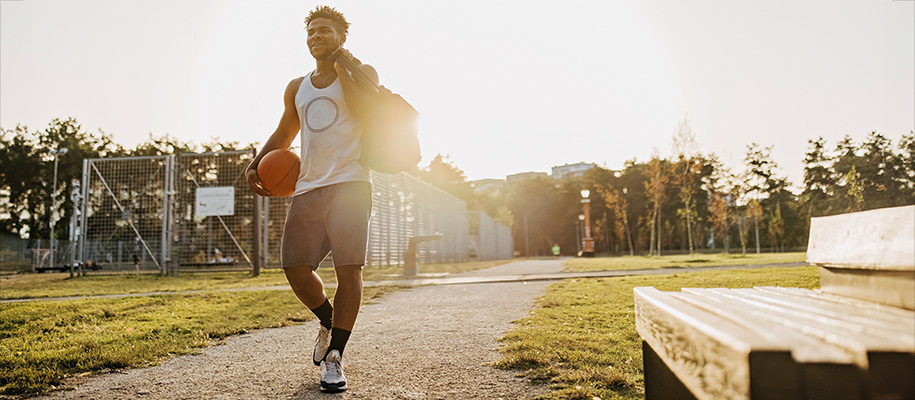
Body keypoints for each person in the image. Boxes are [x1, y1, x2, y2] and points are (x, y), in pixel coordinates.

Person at [245, 5, 377, 394]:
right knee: (295, 267)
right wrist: (255, 164)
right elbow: (284, 133)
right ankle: (329, 319)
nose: (316, 36)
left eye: (325, 31)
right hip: (308, 188)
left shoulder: (362, 73)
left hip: (352, 182)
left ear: (341, 37)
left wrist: (342, 65)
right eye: (311, 32)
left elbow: (363, 110)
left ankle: (335, 356)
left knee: (349, 269)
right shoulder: (296, 87)